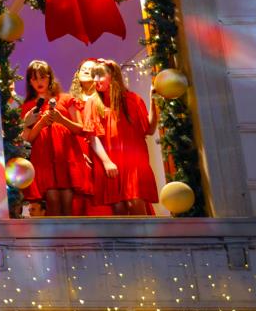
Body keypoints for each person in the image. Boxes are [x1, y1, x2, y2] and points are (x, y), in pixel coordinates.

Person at [87, 59, 160, 215]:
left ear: (112, 75)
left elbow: (150, 129)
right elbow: (93, 137)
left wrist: (153, 100)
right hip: (112, 161)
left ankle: (145, 240)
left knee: (136, 205)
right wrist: (107, 162)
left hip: (133, 162)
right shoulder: (93, 103)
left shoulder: (133, 99)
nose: (95, 80)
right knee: (119, 210)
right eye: (94, 76)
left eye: (99, 75)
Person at [20, 60, 89, 217]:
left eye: (42, 77)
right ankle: (56, 241)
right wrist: (41, 123)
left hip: (66, 156)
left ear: (50, 78)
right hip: (44, 159)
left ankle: (71, 241)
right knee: (52, 203)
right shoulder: (27, 107)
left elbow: (80, 129)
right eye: (35, 78)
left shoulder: (65, 99)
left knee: (68, 204)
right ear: (30, 81)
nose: (39, 82)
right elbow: (27, 139)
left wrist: (61, 119)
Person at [70, 58, 112, 216]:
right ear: (77, 74)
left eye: (92, 69)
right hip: (79, 153)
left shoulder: (105, 100)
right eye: (84, 68)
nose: (87, 71)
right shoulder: (70, 102)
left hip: (104, 151)